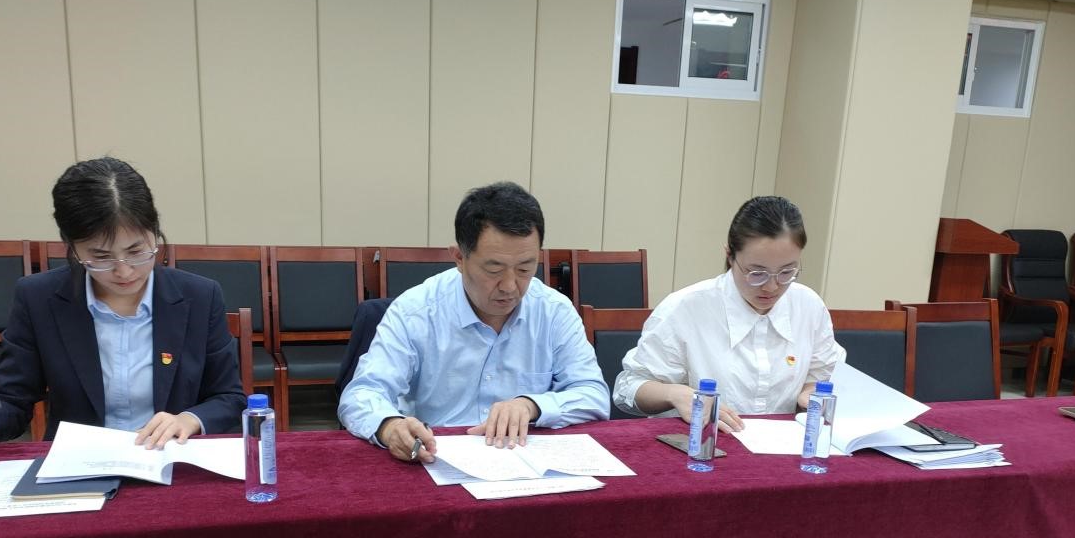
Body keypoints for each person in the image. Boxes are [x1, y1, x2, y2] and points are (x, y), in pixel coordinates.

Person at [0, 157, 245, 449]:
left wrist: (188, 419)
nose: (124, 271)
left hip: (169, 457)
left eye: (137, 251)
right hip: (77, 462)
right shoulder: (39, 298)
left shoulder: (199, 296)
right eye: (101, 257)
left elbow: (229, 397)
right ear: (72, 247)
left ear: (154, 232)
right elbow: (14, 398)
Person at [338, 181, 609, 462]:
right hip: (438, 457)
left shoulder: (554, 311)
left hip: (524, 458)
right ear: (459, 257)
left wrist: (532, 406)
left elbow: (593, 394)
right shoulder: (415, 311)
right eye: (494, 269)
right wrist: (390, 426)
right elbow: (362, 393)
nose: (510, 286)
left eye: (525, 268)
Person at [613, 195, 843, 431]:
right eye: (757, 273)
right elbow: (628, 387)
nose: (771, 287)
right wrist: (675, 394)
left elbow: (822, 376)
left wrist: (810, 394)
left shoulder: (809, 306)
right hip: (702, 442)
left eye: (786, 272)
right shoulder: (686, 308)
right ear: (730, 255)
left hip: (781, 446)